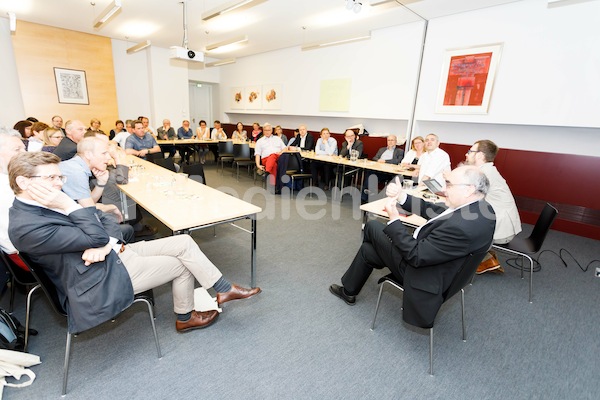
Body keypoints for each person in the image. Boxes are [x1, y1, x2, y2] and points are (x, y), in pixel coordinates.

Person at [7, 151, 261, 333]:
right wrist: (72, 209)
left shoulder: (43, 203)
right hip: (97, 277)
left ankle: (223, 288)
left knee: (183, 241)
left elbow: (103, 220)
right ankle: (185, 317)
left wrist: (102, 242)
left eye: (59, 177)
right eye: (51, 178)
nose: (59, 184)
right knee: (182, 264)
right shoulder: (27, 225)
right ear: (23, 182)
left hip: (109, 254)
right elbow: (96, 230)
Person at [329, 166, 495, 328]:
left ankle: (370, 267)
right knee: (368, 250)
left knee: (372, 226)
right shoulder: (483, 209)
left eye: (449, 184)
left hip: (420, 272)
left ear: (469, 189)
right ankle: (351, 288)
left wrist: (394, 220)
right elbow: (436, 212)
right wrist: (403, 197)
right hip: (439, 267)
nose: (444, 189)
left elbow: (415, 256)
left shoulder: (460, 227)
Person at [58, 136, 133, 241]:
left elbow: (89, 202)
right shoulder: (76, 172)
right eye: (104, 153)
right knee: (127, 229)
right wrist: (110, 207)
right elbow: (89, 210)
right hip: (68, 229)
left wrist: (101, 182)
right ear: (88, 154)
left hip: (69, 222)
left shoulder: (77, 166)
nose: (108, 157)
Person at [464, 139, 522, 274]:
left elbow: (466, 199)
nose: (466, 154)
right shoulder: (488, 170)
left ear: (479, 155)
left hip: (502, 230)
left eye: (470, 151)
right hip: (502, 223)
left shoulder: (483, 174)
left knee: (459, 226)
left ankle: (484, 259)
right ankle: (487, 257)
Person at [0, 128, 27, 271]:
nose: (24, 153)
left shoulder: (11, 179)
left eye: (24, 148)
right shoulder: (5, 187)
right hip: (24, 254)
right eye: (17, 149)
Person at [361, 135, 405, 203]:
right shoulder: (382, 149)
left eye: (392, 140)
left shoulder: (399, 151)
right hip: (379, 170)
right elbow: (374, 158)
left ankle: (373, 197)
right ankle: (365, 198)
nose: (390, 142)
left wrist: (385, 161)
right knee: (370, 173)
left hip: (389, 172)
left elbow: (398, 161)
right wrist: (378, 160)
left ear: (396, 142)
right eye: (388, 140)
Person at [254, 122, 285, 190]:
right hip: (266, 159)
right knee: (273, 163)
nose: (267, 132)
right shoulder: (260, 141)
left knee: (274, 156)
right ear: (263, 131)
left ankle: (268, 173)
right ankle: (275, 186)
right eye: (265, 130)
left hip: (278, 157)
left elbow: (285, 148)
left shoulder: (277, 139)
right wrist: (258, 165)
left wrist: (280, 152)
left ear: (271, 130)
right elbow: (257, 154)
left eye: (269, 130)